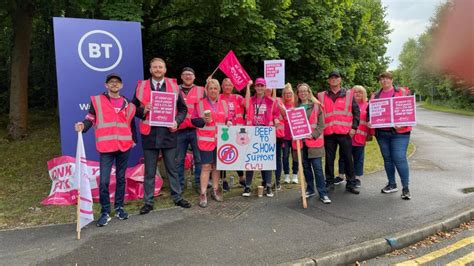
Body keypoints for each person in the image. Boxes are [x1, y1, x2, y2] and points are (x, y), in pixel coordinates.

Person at [74, 73, 137, 226]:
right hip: (106, 146)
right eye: (111, 82)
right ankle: (105, 212)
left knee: (121, 178)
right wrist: (83, 126)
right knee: (104, 181)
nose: (114, 84)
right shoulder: (97, 101)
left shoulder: (128, 103)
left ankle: (120, 208)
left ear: (121, 86)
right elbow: (90, 119)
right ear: (106, 85)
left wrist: (133, 139)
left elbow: (131, 123)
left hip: (124, 145)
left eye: (117, 82)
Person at [132, 57, 191, 215]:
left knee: (172, 168)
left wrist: (177, 122)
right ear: (150, 70)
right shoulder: (141, 86)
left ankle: (177, 197)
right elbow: (132, 109)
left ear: (165, 70)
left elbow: (183, 109)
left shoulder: (173, 86)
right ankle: (148, 202)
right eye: (155, 67)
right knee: (150, 171)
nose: (158, 69)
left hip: (168, 134)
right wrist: (143, 110)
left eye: (160, 67)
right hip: (149, 134)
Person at [317, 70, 360, 195]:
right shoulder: (321, 96)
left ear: (340, 80)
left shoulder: (349, 94)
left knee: (348, 159)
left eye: (336, 77)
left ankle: (351, 183)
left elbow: (356, 112)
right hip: (329, 133)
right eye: (331, 78)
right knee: (329, 159)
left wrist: (354, 128)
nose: (334, 80)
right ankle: (329, 183)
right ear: (328, 81)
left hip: (345, 132)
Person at [371, 72, 412, 200]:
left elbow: (409, 111)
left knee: (399, 158)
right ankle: (392, 184)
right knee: (387, 159)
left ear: (391, 80)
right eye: (382, 79)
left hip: (400, 133)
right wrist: (370, 121)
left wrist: (403, 123)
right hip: (382, 133)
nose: (384, 81)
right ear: (379, 81)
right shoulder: (375, 95)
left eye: (387, 78)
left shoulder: (402, 92)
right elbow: (370, 112)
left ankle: (405, 188)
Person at [191, 79, 230, 207]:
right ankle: (203, 193)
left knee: (216, 167)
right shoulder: (200, 104)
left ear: (219, 90)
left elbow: (228, 118)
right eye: (211, 88)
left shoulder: (224, 103)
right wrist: (202, 119)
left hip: (220, 141)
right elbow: (194, 121)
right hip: (205, 141)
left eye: (215, 88)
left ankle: (215, 189)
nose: (213, 90)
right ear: (206, 90)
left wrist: (229, 122)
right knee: (206, 167)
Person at [243, 78, 280, 197]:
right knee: (251, 159)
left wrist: (276, 119)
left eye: (262, 86)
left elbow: (276, 113)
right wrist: (247, 87)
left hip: (266, 132)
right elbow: (246, 106)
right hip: (252, 131)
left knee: (266, 159)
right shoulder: (251, 100)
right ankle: (247, 186)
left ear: (265, 88)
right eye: (257, 86)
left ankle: (268, 186)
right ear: (255, 87)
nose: (259, 88)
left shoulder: (271, 101)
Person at [176, 67, 204, 192]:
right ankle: (179, 186)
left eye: (190, 75)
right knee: (179, 160)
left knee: (199, 159)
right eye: (185, 74)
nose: (188, 77)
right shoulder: (174, 89)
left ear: (194, 77)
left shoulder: (201, 90)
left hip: (196, 130)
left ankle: (199, 184)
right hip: (179, 129)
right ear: (181, 77)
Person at [337, 85, 370, 188]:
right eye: (355, 92)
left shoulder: (367, 105)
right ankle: (341, 175)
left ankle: (357, 178)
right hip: (347, 136)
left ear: (364, 94)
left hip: (360, 137)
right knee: (343, 157)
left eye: (360, 92)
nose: (357, 94)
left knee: (358, 158)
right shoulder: (347, 105)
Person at [219, 78, 246, 190]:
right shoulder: (218, 97)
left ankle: (241, 178)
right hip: (223, 130)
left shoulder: (238, 97)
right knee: (223, 154)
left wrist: (248, 87)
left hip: (238, 130)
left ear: (233, 86)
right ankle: (223, 180)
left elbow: (248, 104)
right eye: (226, 85)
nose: (228, 87)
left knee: (238, 155)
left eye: (230, 85)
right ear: (222, 86)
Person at [275, 83, 299, 187]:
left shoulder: (296, 103)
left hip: (294, 135)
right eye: (286, 93)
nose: (288, 95)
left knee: (295, 156)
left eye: (290, 93)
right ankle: (286, 175)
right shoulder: (280, 103)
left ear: (292, 94)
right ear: (283, 94)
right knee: (284, 156)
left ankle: (294, 175)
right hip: (284, 135)